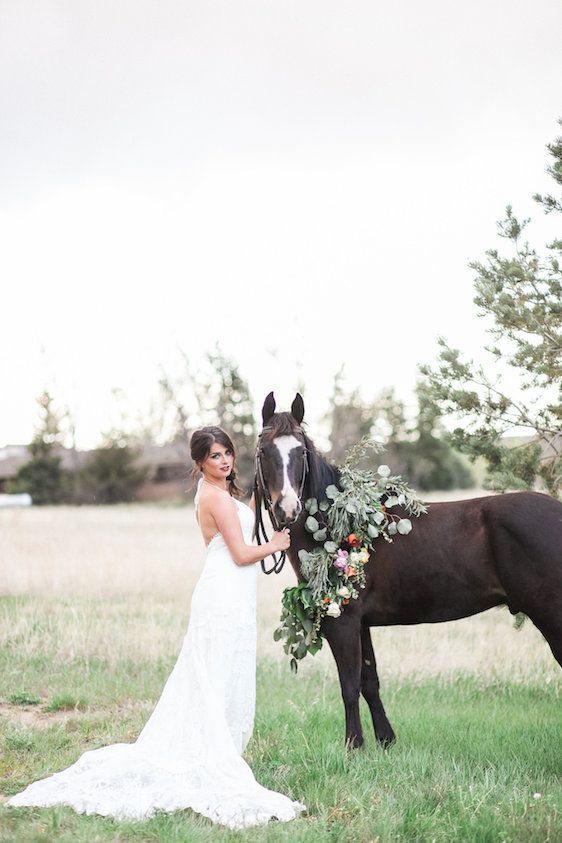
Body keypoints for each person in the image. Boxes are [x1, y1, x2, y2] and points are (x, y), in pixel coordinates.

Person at [7, 426, 306, 829]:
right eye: (215, 456)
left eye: (227, 454)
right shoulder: (213, 497)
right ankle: (211, 754)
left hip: (234, 597)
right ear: (199, 463)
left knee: (224, 670)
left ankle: (220, 749)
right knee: (212, 671)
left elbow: (246, 513)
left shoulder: (224, 493)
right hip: (221, 594)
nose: (224, 461)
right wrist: (276, 546)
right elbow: (239, 553)